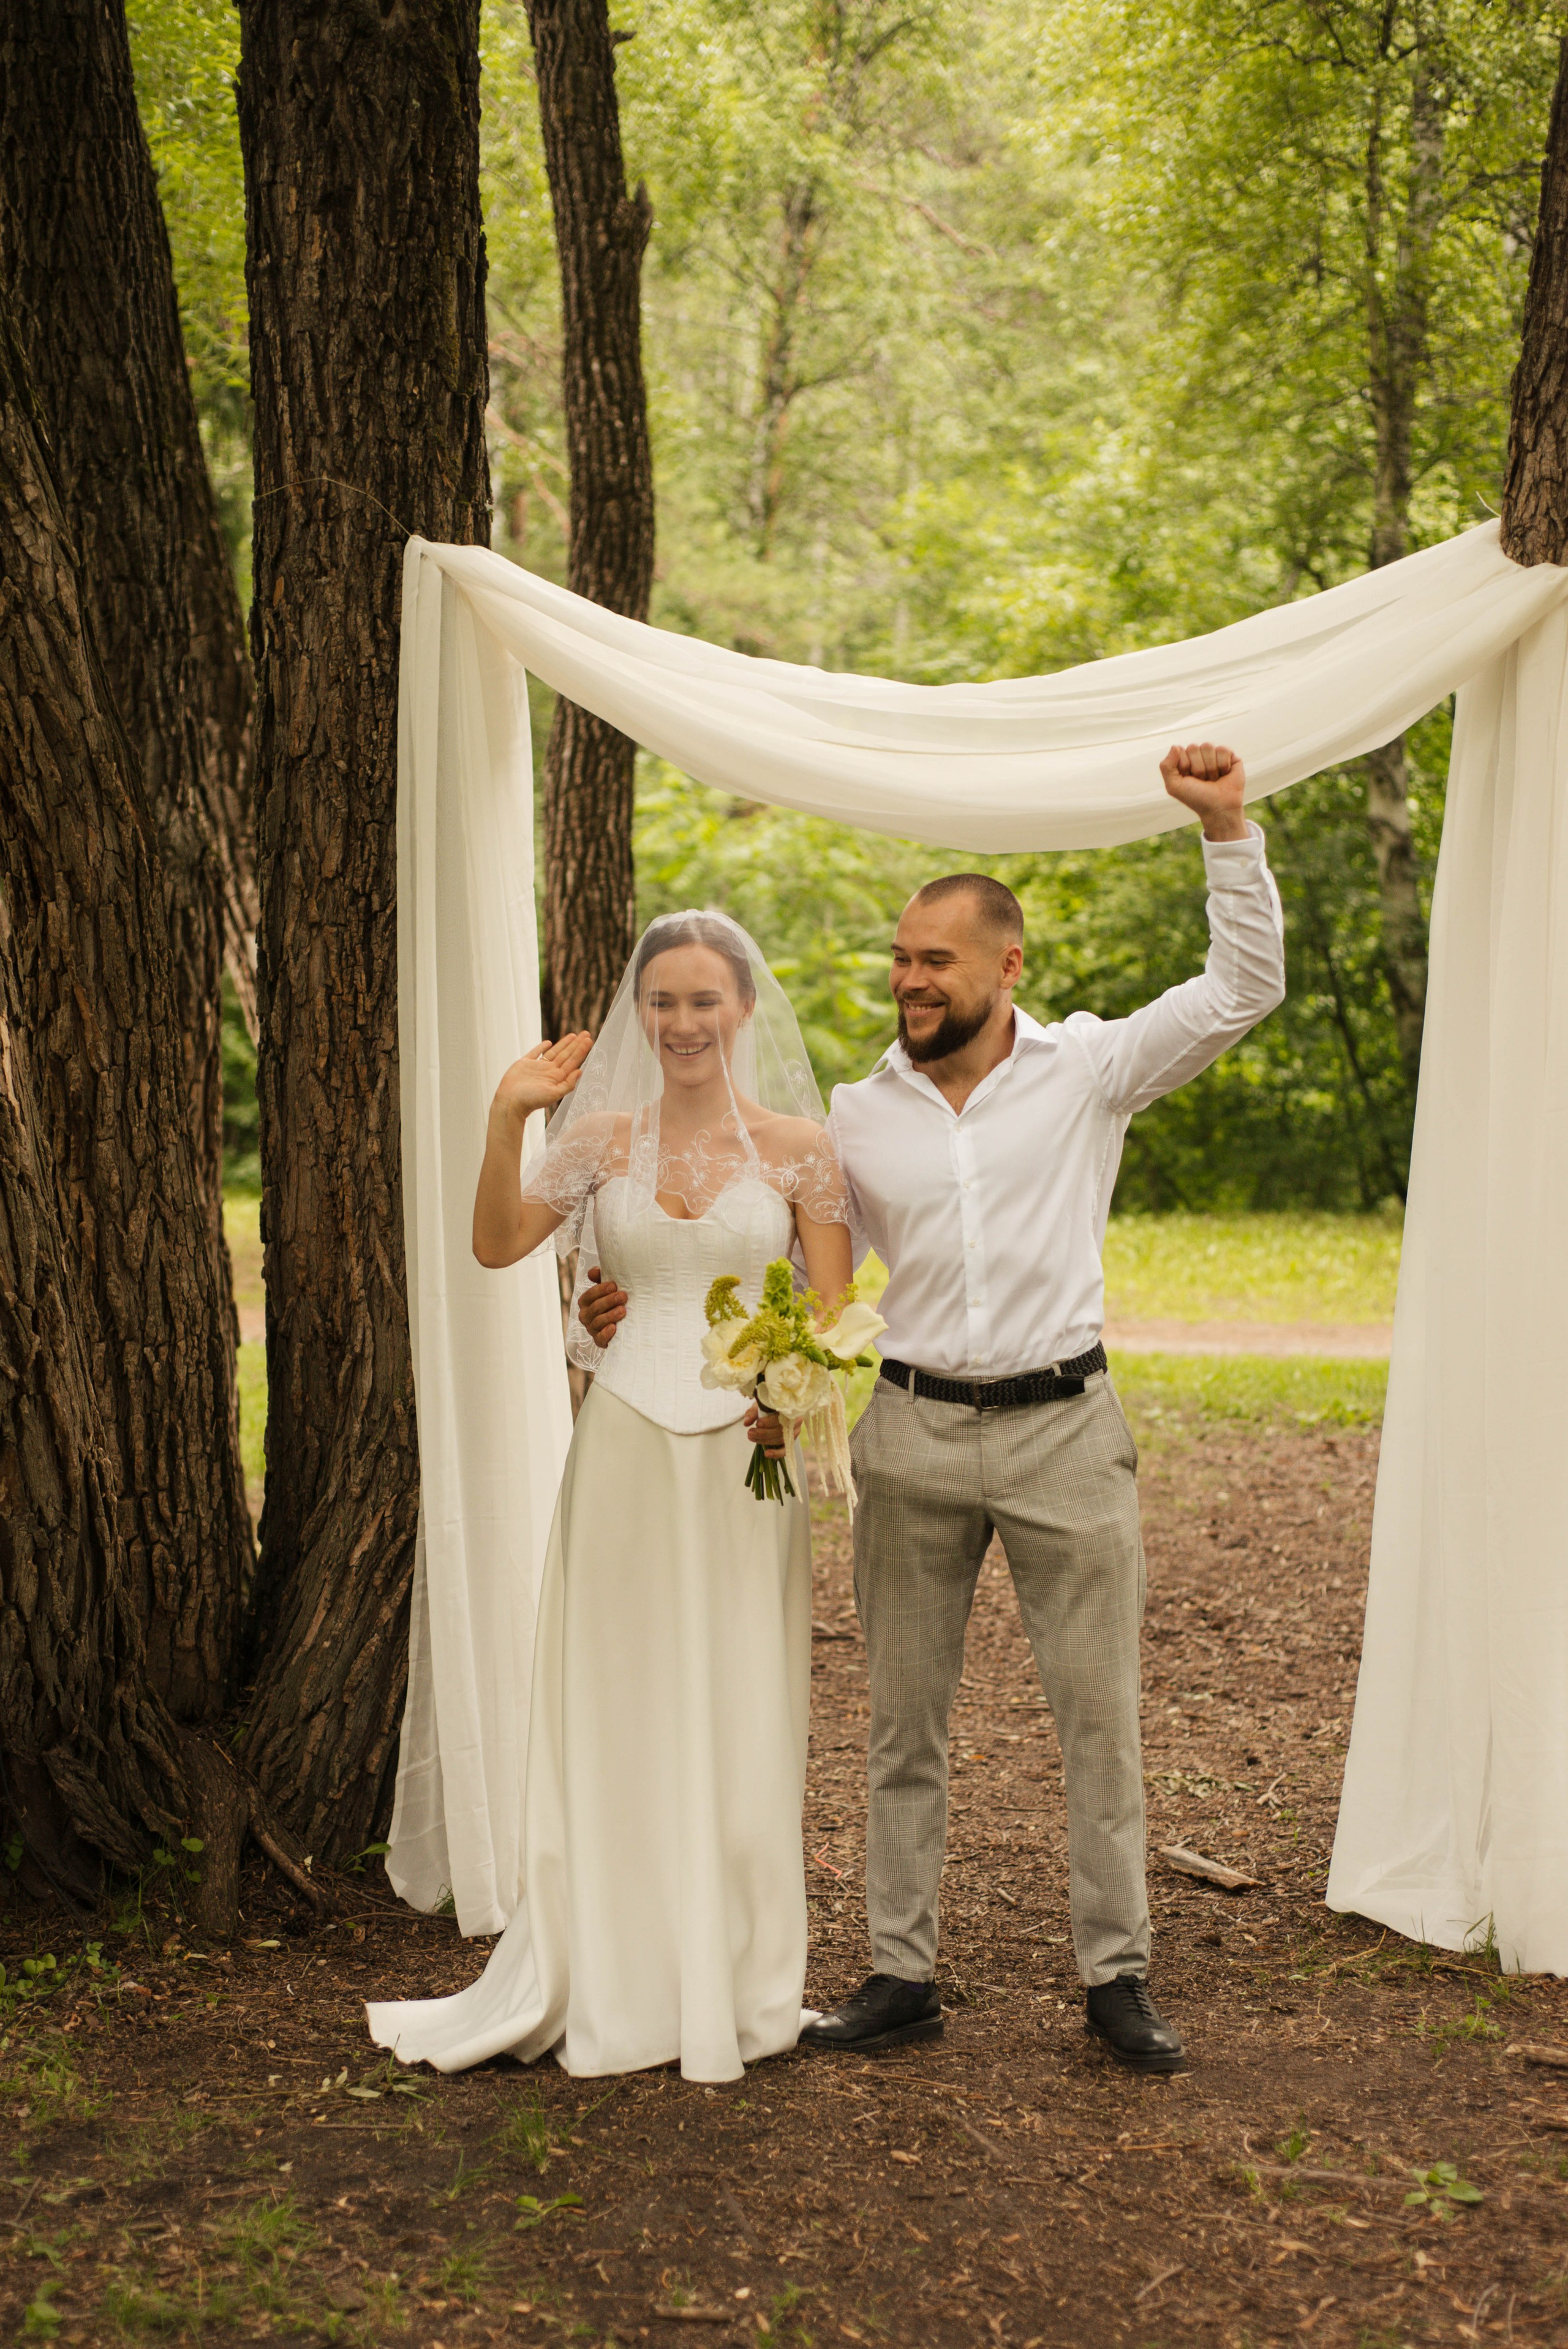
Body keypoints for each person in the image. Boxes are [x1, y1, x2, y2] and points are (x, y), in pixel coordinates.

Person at [736, 741, 1283, 2073]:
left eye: (937, 959)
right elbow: (800, 1260)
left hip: (1063, 1431)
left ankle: (1116, 1976)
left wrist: (1224, 831)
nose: (910, 979)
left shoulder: (1090, 1069)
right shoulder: (857, 1114)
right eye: (901, 958)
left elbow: (1240, 990)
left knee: (1095, 1718)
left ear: (1007, 967)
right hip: (910, 1432)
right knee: (898, 1725)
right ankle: (896, 1972)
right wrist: (686, 1332)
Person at [366, 911, 853, 2084]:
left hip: (747, 1453)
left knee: (742, 1696)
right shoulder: (597, 1139)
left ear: (743, 1008)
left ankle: (733, 1974)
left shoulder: (799, 1150)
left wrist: (794, 1397)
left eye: (705, 1001)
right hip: (626, 1446)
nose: (685, 1023)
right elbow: (495, 1246)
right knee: (620, 1691)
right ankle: (613, 1963)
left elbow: (834, 1316)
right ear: (640, 1014)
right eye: (663, 1002)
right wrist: (506, 1117)